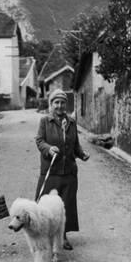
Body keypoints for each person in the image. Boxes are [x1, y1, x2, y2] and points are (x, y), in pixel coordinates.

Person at [35, 89, 89, 250]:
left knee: (66, 207)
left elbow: (75, 144)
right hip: (51, 172)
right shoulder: (45, 121)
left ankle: (62, 236)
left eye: (62, 102)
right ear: (51, 105)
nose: (59, 106)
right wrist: (48, 148)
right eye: (56, 102)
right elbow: (39, 140)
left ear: (66, 104)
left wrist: (81, 154)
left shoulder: (72, 122)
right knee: (44, 206)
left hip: (69, 173)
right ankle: (42, 236)